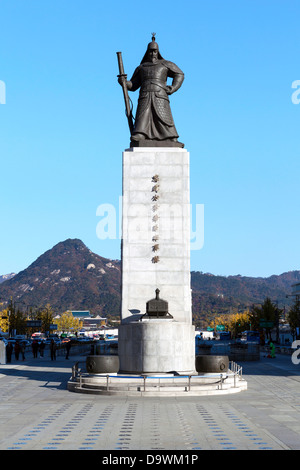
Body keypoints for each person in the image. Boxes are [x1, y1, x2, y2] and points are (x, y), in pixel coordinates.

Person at [118, 35, 184, 145]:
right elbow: (133, 85)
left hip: (160, 94)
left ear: (158, 52)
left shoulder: (165, 64)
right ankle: (141, 133)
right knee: (143, 116)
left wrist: (173, 87)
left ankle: (170, 136)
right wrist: (124, 82)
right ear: (147, 52)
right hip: (145, 95)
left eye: (154, 51)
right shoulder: (142, 67)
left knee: (164, 117)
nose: (152, 54)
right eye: (150, 51)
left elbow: (179, 74)